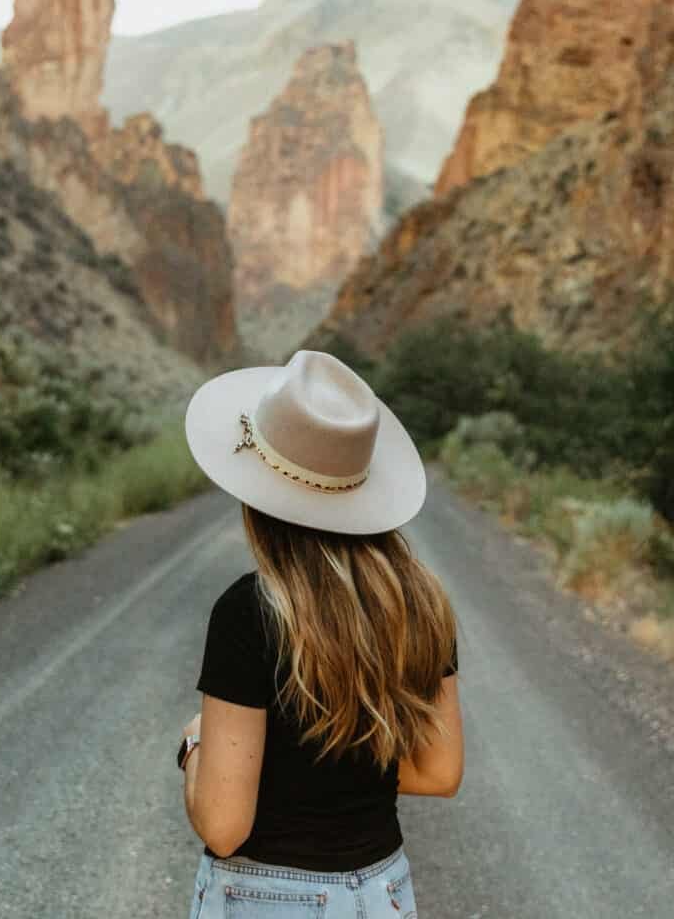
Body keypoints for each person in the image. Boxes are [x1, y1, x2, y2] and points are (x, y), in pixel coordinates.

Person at [178, 349, 464, 918]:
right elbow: (439, 771)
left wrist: (194, 748)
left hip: (266, 899)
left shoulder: (250, 610)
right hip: (384, 896)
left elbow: (224, 825)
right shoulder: (423, 604)